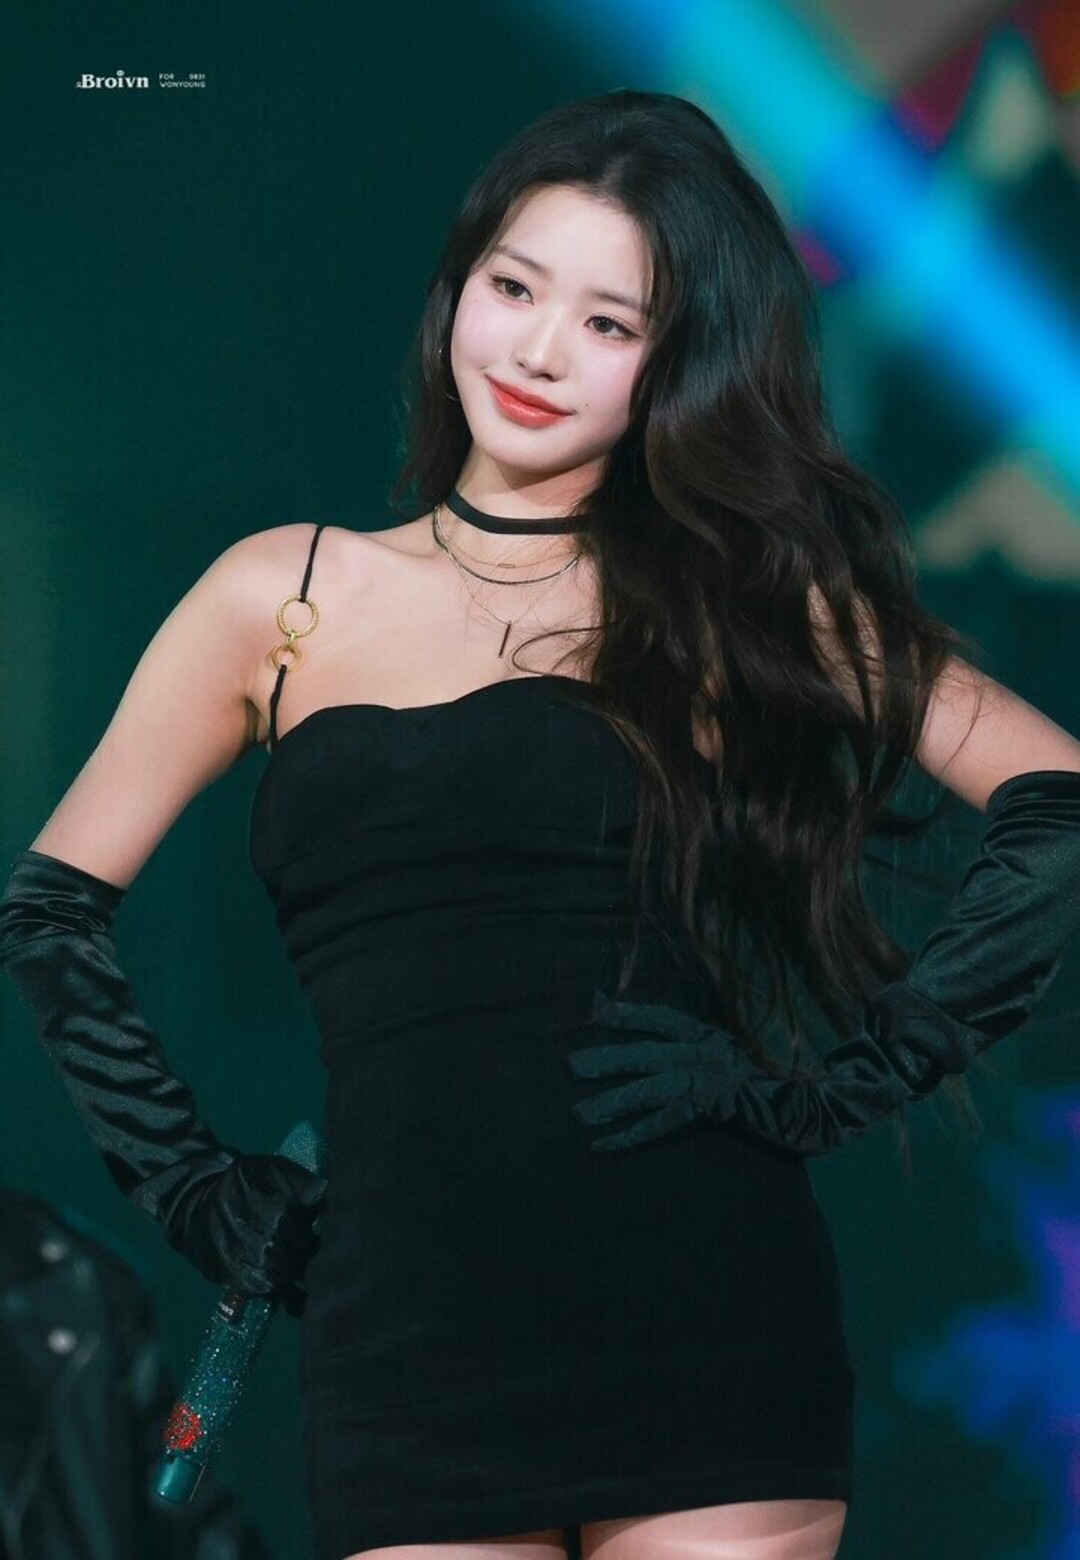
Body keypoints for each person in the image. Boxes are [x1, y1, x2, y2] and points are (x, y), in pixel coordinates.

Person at [2, 87, 1080, 1560]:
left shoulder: (727, 595)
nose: (538, 350)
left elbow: (1056, 801)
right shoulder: (285, 592)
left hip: (704, 1308)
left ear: (676, 365)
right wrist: (190, 1185)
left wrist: (837, 1088)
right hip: (409, 1328)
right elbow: (50, 909)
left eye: (610, 322)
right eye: (514, 288)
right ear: (459, 288)